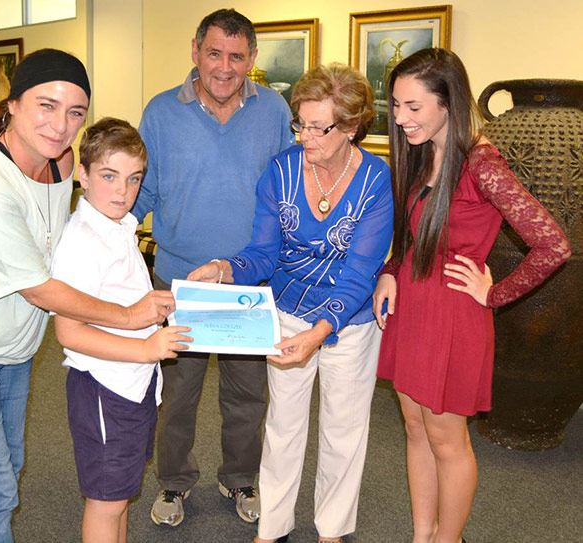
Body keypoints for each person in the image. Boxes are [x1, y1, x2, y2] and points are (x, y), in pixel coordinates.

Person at [0, 49, 173, 543]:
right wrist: (129, 316)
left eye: (75, 112)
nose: (60, 124)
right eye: (46, 105)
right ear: (11, 104)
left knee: (12, 462)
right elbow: (41, 289)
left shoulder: (62, 162)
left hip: (13, 346)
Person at [372, 48, 571, 543]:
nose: (400, 119)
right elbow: (412, 232)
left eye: (413, 107)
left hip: (453, 314)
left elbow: (553, 244)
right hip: (413, 305)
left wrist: (495, 293)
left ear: (449, 103)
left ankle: (448, 539)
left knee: (447, 441)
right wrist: (391, 271)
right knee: (415, 429)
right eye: (396, 105)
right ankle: (422, 535)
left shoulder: (482, 163)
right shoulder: (422, 152)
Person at [189, 63, 394, 543]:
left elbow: (361, 272)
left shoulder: (375, 179)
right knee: (282, 426)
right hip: (286, 309)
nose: (304, 137)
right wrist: (223, 269)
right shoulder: (280, 171)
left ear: (350, 127)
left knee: (344, 429)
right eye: (299, 124)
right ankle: (274, 525)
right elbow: (262, 254)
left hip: (351, 319)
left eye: (317, 127)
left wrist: (320, 332)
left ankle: (333, 530)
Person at [134, 8, 295, 528]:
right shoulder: (161, 112)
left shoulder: (274, 110)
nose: (224, 67)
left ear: (251, 59)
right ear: (195, 51)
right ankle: (175, 483)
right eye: (214, 53)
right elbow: (145, 190)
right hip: (181, 281)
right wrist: (104, 241)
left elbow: (288, 191)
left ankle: (241, 477)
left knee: (248, 395)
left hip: (249, 282)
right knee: (177, 395)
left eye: (237, 56)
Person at [51, 117, 192, 543]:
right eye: (109, 176)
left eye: (133, 179)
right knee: (106, 501)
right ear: (83, 174)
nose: (122, 191)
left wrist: (155, 309)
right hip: (104, 388)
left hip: (132, 386)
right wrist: (146, 349)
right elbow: (69, 333)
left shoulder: (118, 227)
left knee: (122, 494)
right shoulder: (82, 242)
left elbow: (117, 300)